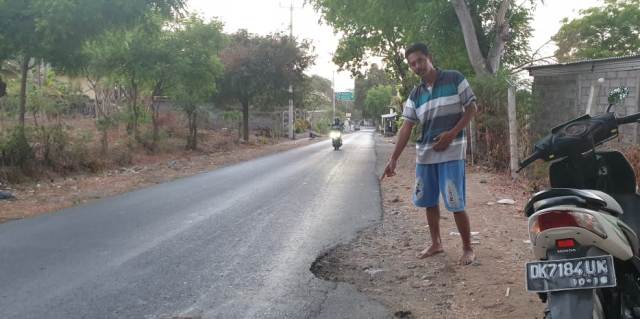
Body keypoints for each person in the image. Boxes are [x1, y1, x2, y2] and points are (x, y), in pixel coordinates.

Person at [380, 43, 477, 265]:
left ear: (429, 57)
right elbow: (407, 127)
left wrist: (451, 134)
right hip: (425, 156)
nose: (417, 66)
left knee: (455, 201)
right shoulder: (415, 94)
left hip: (452, 152)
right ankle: (436, 243)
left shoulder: (454, 78)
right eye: (412, 64)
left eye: (420, 61)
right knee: (428, 201)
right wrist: (393, 158)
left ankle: (468, 248)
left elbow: (472, 107)